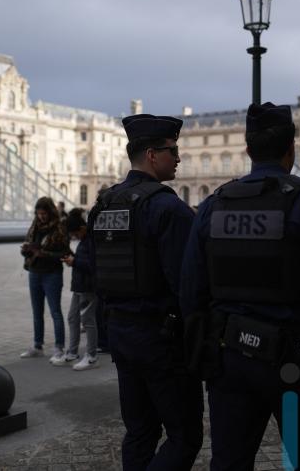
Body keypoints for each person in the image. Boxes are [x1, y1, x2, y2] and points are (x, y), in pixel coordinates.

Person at [180, 102, 300, 470]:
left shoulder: (212, 206)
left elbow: (191, 290)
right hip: (296, 360)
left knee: (229, 462)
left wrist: (203, 355)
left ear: (248, 148)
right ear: (292, 149)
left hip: (230, 357)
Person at [88, 113, 203, 470]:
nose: (179, 158)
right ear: (153, 155)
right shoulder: (168, 208)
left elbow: (95, 271)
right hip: (162, 340)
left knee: (139, 431)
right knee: (185, 436)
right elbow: (189, 286)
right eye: (173, 150)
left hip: (121, 333)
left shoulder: (104, 204)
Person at [20, 197, 70, 362]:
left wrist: (44, 254)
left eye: (44, 213)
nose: (41, 217)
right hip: (34, 271)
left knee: (55, 311)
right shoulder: (35, 226)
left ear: (50, 212)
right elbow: (29, 244)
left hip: (52, 274)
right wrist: (26, 250)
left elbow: (64, 253)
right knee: (37, 312)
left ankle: (59, 347)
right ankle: (37, 346)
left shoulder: (59, 228)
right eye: (38, 213)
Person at [60, 208, 100, 370]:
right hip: (79, 286)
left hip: (88, 287)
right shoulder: (85, 240)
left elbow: (93, 266)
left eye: (75, 234)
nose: (74, 238)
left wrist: (74, 262)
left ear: (82, 229)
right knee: (72, 318)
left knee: (88, 320)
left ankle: (91, 357)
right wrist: (73, 259)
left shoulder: (92, 240)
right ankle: (72, 353)